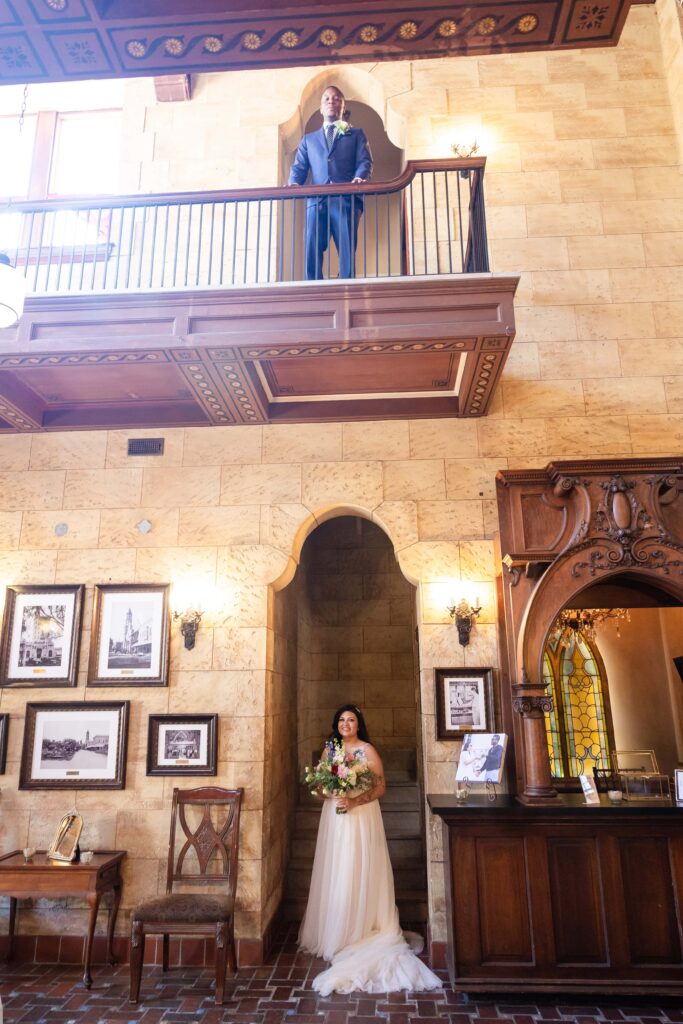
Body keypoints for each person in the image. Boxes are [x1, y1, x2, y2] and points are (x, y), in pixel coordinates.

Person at [299, 703, 441, 995]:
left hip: (361, 816)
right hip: (335, 818)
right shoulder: (330, 751)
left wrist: (354, 800)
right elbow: (319, 787)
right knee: (336, 868)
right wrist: (331, 791)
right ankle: (335, 932)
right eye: (341, 720)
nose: (346, 724)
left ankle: (361, 926)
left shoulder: (367, 750)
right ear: (336, 724)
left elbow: (380, 787)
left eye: (351, 719)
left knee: (357, 865)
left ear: (359, 724)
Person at [288, 86, 373, 280]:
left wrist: (359, 178)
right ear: (320, 108)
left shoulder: (357, 134)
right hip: (316, 201)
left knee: (346, 247)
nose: (330, 101)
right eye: (326, 98)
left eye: (336, 98)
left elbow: (365, 161)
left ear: (342, 106)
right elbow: (299, 167)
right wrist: (294, 182)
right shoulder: (308, 140)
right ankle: (312, 286)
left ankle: (347, 285)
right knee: (312, 244)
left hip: (345, 199)